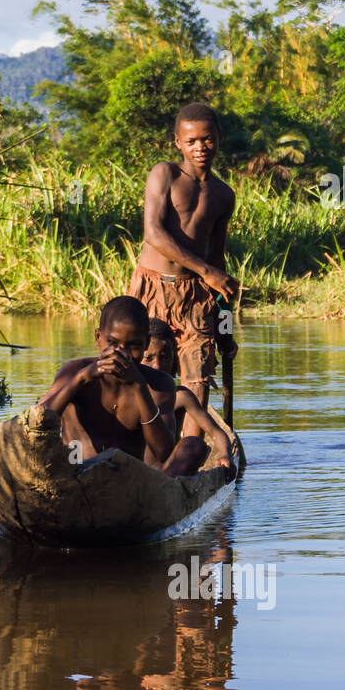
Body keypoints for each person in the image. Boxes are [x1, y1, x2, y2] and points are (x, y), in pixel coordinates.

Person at [127, 102, 240, 417]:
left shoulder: (223, 195)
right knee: (143, 366)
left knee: (197, 377)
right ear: (178, 142)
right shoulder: (165, 173)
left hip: (196, 296)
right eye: (191, 141)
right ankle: (144, 439)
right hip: (152, 289)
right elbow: (153, 233)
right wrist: (208, 271)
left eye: (207, 139)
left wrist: (225, 329)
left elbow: (217, 261)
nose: (200, 148)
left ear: (218, 137)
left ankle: (189, 449)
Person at [38, 297, 222, 479]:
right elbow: (39, 421)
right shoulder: (74, 371)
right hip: (78, 474)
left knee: (194, 447)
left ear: (146, 343)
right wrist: (82, 378)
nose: (121, 353)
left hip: (132, 483)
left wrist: (139, 387)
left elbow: (163, 452)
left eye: (134, 345)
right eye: (112, 343)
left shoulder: (159, 384)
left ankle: (154, 502)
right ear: (98, 337)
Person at [140, 319, 235, 480]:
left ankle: (168, 490)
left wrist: (226, 455)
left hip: (168, 474)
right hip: (134, 473)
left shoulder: (180, 396)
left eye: (164, 357)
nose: (157, 365)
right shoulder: (126, 394)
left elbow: (215, 432)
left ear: (174, 360)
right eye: (148, 358)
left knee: (194, 444)